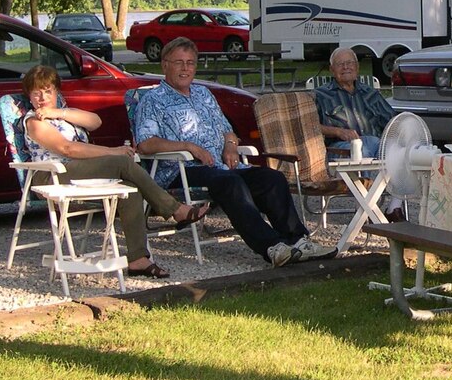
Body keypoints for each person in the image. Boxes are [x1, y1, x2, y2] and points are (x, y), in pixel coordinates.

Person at [134, 37, 336, 267]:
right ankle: (272, 247)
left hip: (220, 167)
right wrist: (189, 147)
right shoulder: (152, 100)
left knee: (272, 178)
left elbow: (228, 131)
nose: (185, 68)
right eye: (179, 62)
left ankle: (299, 240)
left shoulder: (203, 94)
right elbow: (145, 144)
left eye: (190, 63)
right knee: (230, 183)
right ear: (164, 65)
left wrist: (230, 146)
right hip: (180, 170)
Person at [20, 65, 210, 279]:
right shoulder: (34, 122)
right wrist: (112, 151)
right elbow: (67, 148)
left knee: (130, 190)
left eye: (48, 90)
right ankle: (175, 209)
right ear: (30, 95)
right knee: (123, 162)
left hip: (75, 171)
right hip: (52, 174)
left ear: (56, 92)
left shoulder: (61, 115)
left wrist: (57, 112)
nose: (42, 97)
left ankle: (138, 259)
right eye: (37, 92)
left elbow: (95, 122)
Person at [314, 46, 402, 217]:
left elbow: (392, 121)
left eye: (349, 63)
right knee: (362, 147)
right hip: (339, 150)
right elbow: (309, 127)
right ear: (332, 69)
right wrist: (337, 131)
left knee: (401, 151)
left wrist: (402, 136)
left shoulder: (370, 94)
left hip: (375, 146)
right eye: (340, 64)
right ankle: (365, 212)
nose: (346, 67)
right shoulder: (321, 95)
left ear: (357, 67)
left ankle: (394, 208)